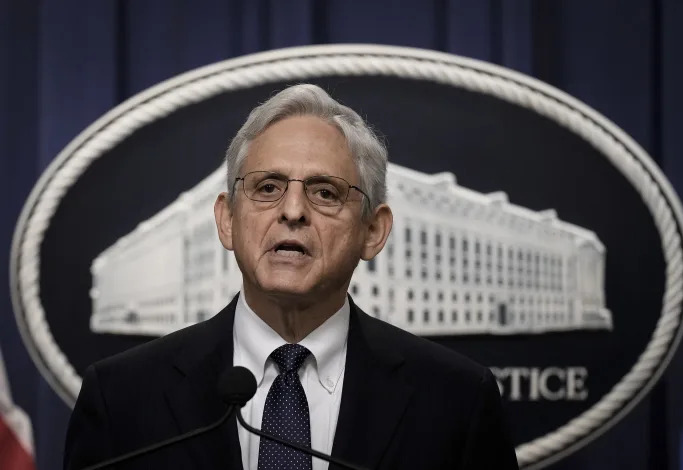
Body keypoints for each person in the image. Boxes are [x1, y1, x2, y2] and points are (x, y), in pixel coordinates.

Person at [64, 84, 518, 470]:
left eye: (325, 192)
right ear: (226, 220)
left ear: (373, 231)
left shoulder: (458, 400)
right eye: (267, 188)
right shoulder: (121, 398)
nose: (293, 211)